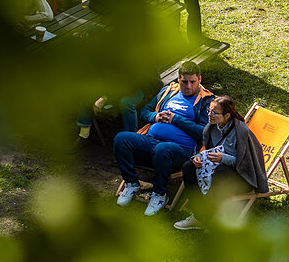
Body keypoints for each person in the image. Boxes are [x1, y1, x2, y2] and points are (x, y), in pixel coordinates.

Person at [114, 61, 214, 216]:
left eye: (192, 82)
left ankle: (159, 194)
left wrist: (176, 120)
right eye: (184, 82)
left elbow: (204, 132)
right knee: (121, 139)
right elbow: (145, 112)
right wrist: (156, 116)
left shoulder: (206, 101)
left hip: (180, 151)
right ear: (178, 79)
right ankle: (132, 183)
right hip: (152, 141)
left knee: (162, 149)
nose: (188, 86)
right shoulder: (168, 92)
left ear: (199, 79)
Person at [173, 96, 269, 231]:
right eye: (209, 110)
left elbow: (247, 163)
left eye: (214, 112)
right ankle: (199, 216)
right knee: (188, 167)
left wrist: (223, 158)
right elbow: (208, 151)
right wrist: (198, 158)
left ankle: (212, 215)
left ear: (227, 115)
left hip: (243, 177)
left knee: (220, 173)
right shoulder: (211, 128)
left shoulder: (241, 132)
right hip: (217, 169)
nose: (209, 115)